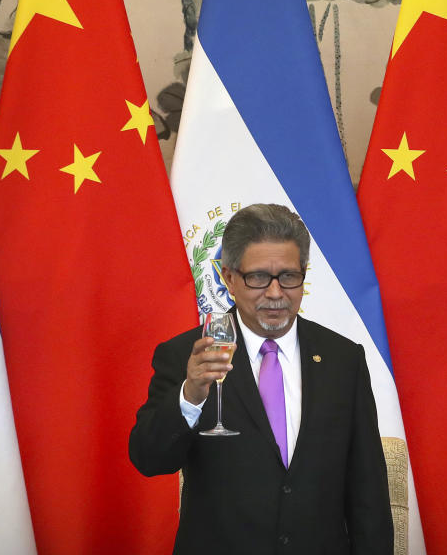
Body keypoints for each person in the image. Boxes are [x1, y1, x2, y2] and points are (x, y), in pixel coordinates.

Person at [129, 203, 393, 555]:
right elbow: (149, 459)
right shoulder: (185, 355)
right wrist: (191, 394)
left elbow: (368, 492)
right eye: (257, 278)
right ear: (229, 278)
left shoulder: (343, 358)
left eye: (288, 276)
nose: (274, 293)